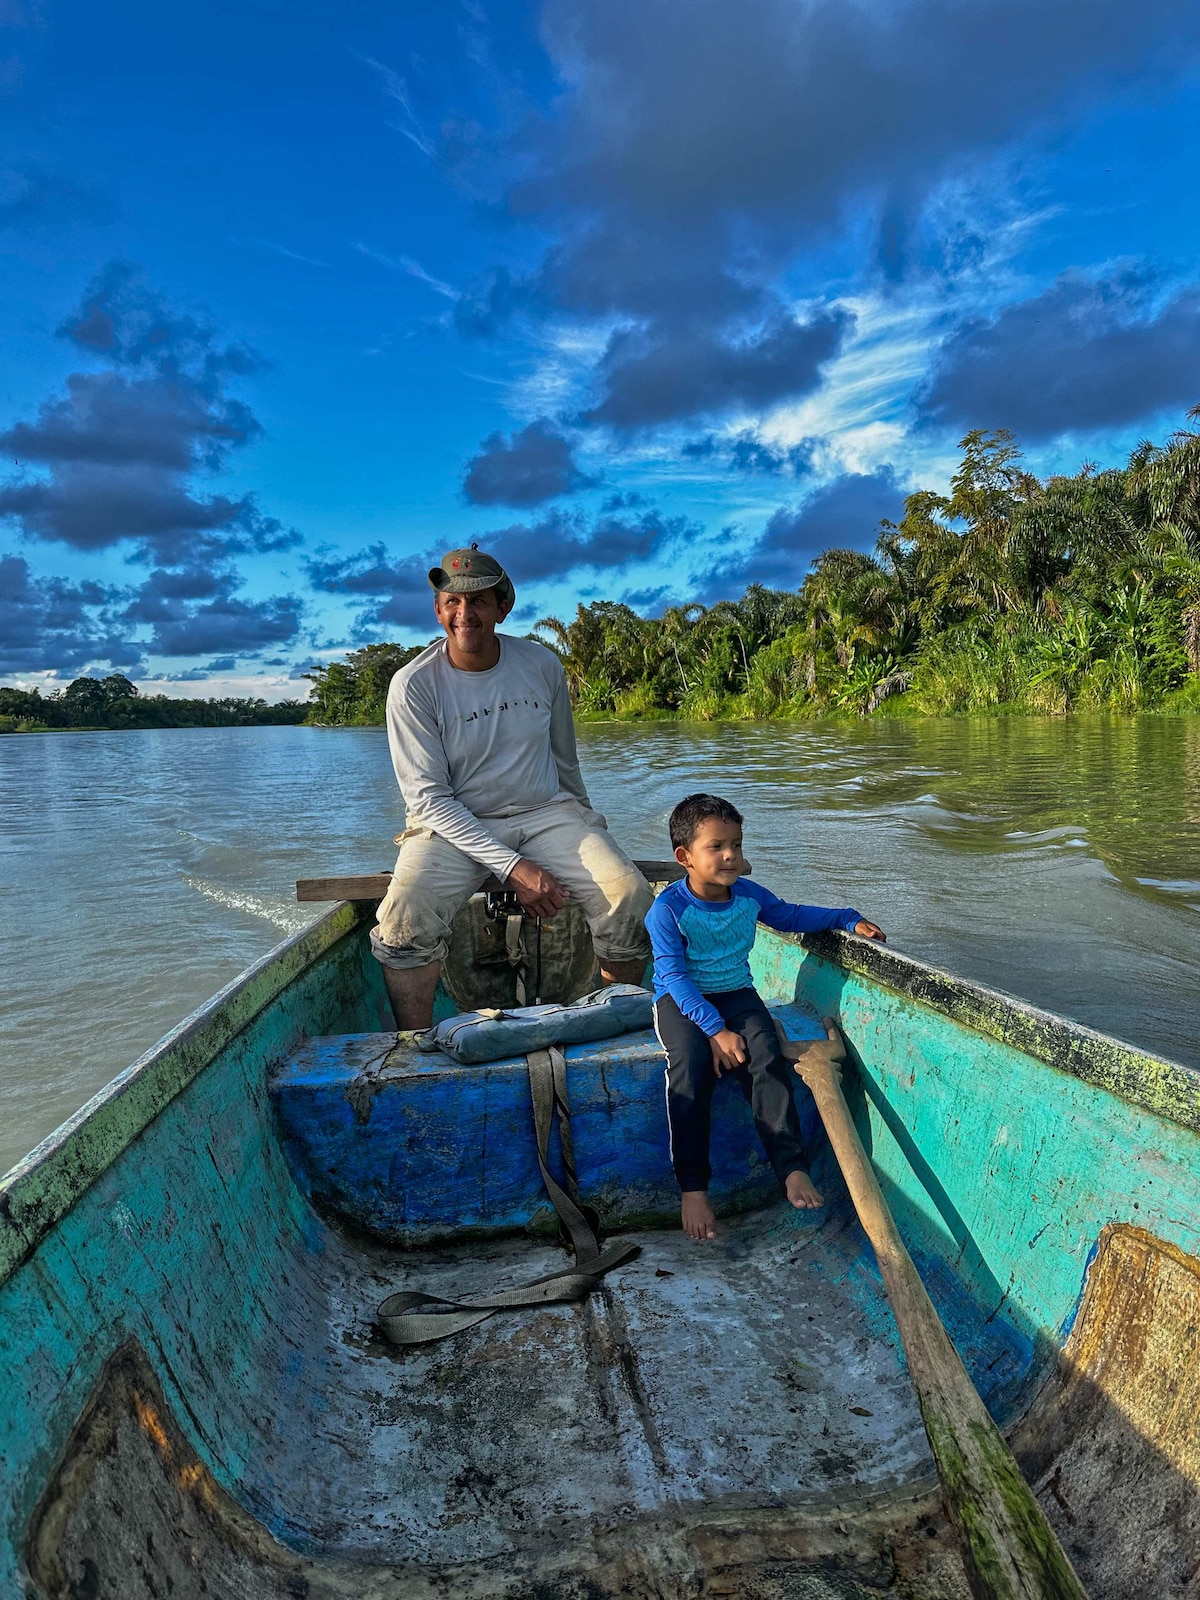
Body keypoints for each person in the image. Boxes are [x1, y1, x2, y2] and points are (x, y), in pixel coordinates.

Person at [371, 544, 653, 1029]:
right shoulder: (413, 685)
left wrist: (590, 831)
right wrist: (513, 868)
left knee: (628, 897)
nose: (465, 613)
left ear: (503, 606)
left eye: (478, 600)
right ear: (438, 610)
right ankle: (414, 1047)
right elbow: (429, 800)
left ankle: (614, 1024)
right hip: (452, 825)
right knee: (403, 920)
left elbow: (565, 763)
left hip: (546, 814)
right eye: (453, 602)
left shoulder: (541, 666)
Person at [646, 792, 886, 1242]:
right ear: (685, 858)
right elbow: (674, 978)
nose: (731, 855)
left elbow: (793, 916)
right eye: (716, 846)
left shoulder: (749, 897)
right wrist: (714, 1032)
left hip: (737, 994)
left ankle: (792, 1167)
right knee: (691, 1069)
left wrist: (847, 917)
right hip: (681, 1001)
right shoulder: (668, 910)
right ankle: (693, 1188)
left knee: (766, 1057)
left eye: (736, 843)